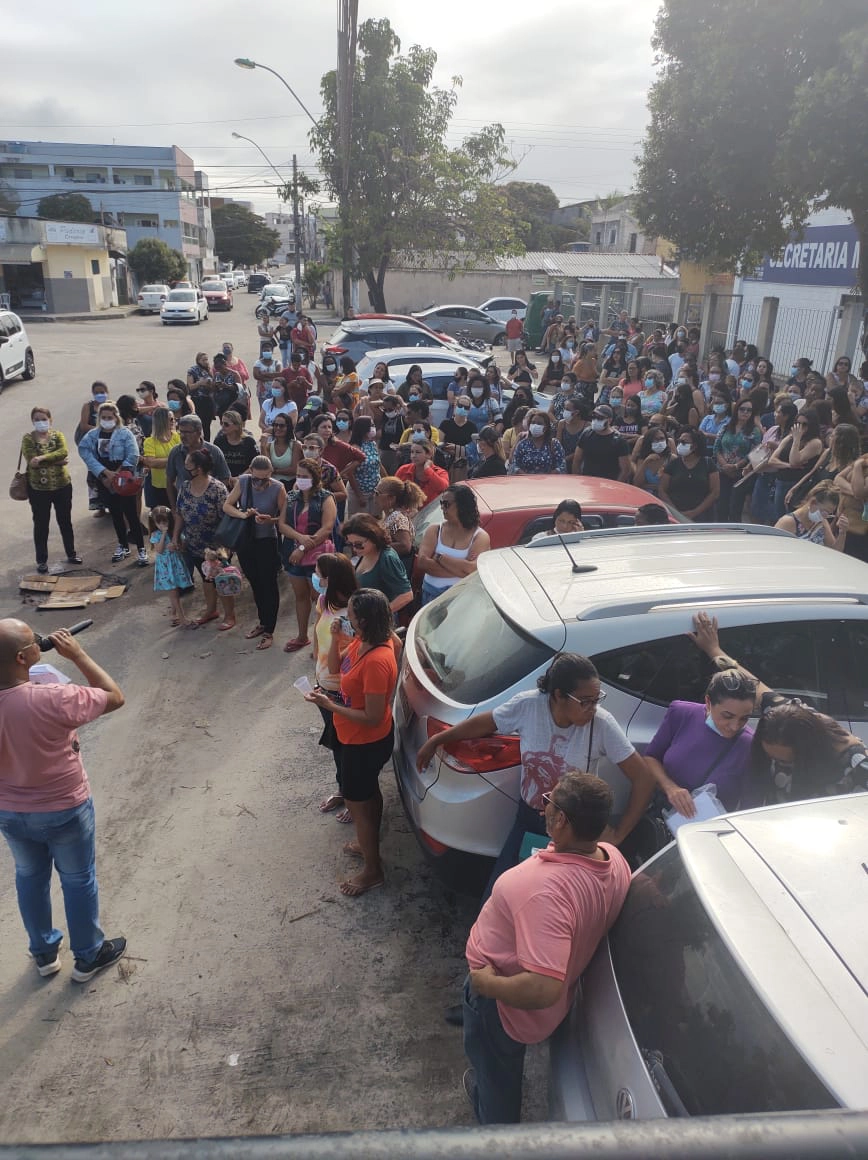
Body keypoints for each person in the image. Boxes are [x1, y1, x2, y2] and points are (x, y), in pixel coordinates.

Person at [462, 771, 630, 1125]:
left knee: (498, 1073)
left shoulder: (539, 890)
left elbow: (543, 987)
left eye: (548, 803)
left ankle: (497, 1130)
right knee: (495, 1063)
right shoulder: (613, 859)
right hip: (541, 1002)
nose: (544, 809)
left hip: (503, 1006)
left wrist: (485, 985)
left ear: (561, 821)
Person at [415, 653, 654, 891]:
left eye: (597, 699)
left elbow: (642, 778)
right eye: (585, 701)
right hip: (529, 818)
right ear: (558, 695)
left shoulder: (602, 724)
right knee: (501, 890)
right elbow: (486, 723)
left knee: (549, 898)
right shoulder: (529, 706)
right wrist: (437, 740)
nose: (593, 708)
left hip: (572, 830)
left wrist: (618, 835)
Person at [0, 621, 127, 982]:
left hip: (9, 810)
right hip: (63, 807)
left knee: (28, 875)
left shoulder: (39, 694)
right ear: (24, 657)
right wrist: (78, 654)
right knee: (77, 878)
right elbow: (113, 696)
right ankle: (88, 955)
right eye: (33, 639)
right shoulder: (53, 697)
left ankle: (43, 951)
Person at [689, 612, 868, 806]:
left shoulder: (856, 766)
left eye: (784, 761)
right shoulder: (788, 716)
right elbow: (755, 686)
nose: (775, 763)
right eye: (771, 757)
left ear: (808, 750)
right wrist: (714, 650)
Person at [304, 588, 399, 897]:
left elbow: (372, 716)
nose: (346, 619)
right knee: (369, 793)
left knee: (360, 804)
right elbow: (334, 668)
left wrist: (330, 706)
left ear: (365, 620)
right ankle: (366, 841)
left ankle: (373, 871)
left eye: (351, 616)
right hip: (355, 737)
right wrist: (334, 637)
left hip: (365, 741)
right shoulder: (362, 641)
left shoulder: (377, 660)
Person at [644, 666, 757, 818]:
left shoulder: (749, 745)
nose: (734, 726)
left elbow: (749, 807)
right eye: (727, 716)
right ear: (708, 702)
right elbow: (651, 757)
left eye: (744, 718)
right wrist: (670, 788)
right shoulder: (681, 713)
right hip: (662, 818)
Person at [312, 552, 360, 823]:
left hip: (345, 691)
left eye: (319, 574)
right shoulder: (323, 602)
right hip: (325, 686)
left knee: (350, 748)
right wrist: (315, 674)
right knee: (337, 744)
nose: (316, 579)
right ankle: (344, 791)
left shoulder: (356, 611)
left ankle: (356, 800)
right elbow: (318, 636)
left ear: (331, 579)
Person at [222, 456, 287, 651]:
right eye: (256, 479)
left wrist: (270, 520)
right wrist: (244, 515)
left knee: (269, 584)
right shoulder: (243, 481)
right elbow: (227, 505)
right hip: (247, 540)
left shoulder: (278, 488)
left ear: (271, 474)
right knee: (255, 581)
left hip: (267, 540)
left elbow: (285, 518)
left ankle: (270, 629)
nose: (260, 484)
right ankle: (262, 621)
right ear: (250, 472)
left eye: (265, 479)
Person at [279, 457, 338, 652]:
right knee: (301, 596)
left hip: (317, 557)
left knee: (320, 600)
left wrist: (303, 546)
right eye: (298, 475)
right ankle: (302, 636)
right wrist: (300, 538)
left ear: (315, 478)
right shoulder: (291, 497)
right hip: (294, 556)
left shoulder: (326, 498)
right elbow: (282, 524)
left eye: (304, 476)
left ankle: (322, 642)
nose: (300, 479)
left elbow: (327, 528)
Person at [78, 401, 148, 566]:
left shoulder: (125, 434)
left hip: (123, 476)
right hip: (104, 477)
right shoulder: (93, 435)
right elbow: (84, 450)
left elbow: (133, 454)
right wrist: (103, 472)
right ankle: (123, 545)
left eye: (110, 417)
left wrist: (119, 472)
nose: (107, 420)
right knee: (115, 514)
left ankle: (141, 549)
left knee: (131, 514)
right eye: (104, 417)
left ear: (116, 418)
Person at [170, 448, 231, 628]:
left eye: (188, 464)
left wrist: (221, 548)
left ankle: (230, 615)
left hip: (217, 546)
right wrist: (176, 537)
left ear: (199, 468)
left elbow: (226, 518)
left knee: (221, 580)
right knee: (206, 578)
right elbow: (180, 514)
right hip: (195, 544)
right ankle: (211, 610)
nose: (184, 467)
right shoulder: (185, 487)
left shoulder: (217, 489)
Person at [20, 406, 80, 573]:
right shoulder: (28, 439)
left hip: (62, 486)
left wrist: (43, 458)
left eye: (43, 419)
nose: (41, 422)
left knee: (65, 521)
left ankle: (71, 553)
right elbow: (32, 461)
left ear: (50, 420)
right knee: (41, 524)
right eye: (37, 419)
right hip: (38, 490)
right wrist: (57, 461)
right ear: (32, 421)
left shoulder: (58, 435)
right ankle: (41, 560)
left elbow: (64, 451)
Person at [417, 484, 491, 606]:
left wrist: (440, 558)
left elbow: (472, 570)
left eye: (446, 504)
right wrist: (461, 570)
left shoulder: (480, 536)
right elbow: (422, 562)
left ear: (462, 506)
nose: (442, 508)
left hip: (459, 600)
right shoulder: (434, 530)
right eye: (441, 503)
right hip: (430, 596)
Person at [342, 514, 414, 616]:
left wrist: (378, 615)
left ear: (373, 537)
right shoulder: (365, 552)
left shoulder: (387, 558)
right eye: (350, 544)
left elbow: (406, 595)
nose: (354, 549)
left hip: (379, 625)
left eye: (358, 544)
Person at [767, 406, 824, 523]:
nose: (800, 428)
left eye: (804, 424)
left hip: (797, 485)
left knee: (792, 520)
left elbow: (795, 460)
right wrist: (788, 465)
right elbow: (772, 460)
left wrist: (797, 440)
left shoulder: (815, 442)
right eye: (798, 424)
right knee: (778, 518)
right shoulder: (789, 438)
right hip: (780, 482)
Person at [165, 414, 231, 511]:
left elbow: (225, 477)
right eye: (181, 432)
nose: (183, 436)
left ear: (199, 432)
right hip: (184, 508)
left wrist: (213, 496)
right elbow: (169, 481)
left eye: (187, 432)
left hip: (210, 509)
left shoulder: (214, 451)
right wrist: (174, 509)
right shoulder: (176, 452)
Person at [713, 398, 762, 521]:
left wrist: (736, 466)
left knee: (735, 507)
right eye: (742, 409)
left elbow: (754, 453)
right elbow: (717, 447)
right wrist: (725, 465)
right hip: (722, 472)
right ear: (736, 410)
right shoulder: (726, 427)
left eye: (749, 410)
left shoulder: (754, 432)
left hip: (741, 474)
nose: (745, 412)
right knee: (721, 506)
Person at [658, 427, 720, 520]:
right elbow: (662, 490)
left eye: (684, 442)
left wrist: (695, 512)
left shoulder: (708, 464)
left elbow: (715, 492)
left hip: (703, 516)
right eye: (679, 441)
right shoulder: (673, 464)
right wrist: (676, 512)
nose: (679, 445)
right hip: (676, 516)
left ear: (695, 445)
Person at [148, 505, 195, 628]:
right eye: (159, 522)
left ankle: (174, 614)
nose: (162, 525)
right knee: (173, 593)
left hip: (176, 564)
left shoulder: (174, 532)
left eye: (164, 521)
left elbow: (183, 545)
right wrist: (163, 534)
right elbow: (158, 550)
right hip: (165, 567)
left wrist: (177, 546)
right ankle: (182, 617)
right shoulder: (155, 534)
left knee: (176, 591)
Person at [375, 476, 426, 576]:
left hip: (395, 572)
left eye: (377, 493)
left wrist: (376, 547)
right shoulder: (391, 515)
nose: (374, 496)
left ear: (391, 498)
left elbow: (405, 546)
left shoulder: (397, 517)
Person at [774, 483, 847, 549]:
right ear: (813, 502)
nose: (825, 516)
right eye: (825, 511)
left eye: (829, 513)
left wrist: (842, 533)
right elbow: (773, 549)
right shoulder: (787, 522)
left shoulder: (821, 521)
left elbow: (835, 552)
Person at [572, 405, 631, 480]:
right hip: (588, 482)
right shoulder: (586, 434)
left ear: (609, 420)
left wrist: (615, 487)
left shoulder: (619, 441)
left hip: (608, 484)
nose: (595, 420)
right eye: (593, 417)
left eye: (600, 418)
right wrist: (578, 479)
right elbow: (577, 460)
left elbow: (625, 470)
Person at [141, 406, 180, 510]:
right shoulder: (149, 441)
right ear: (162, 421)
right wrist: (174, 459)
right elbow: (152, 463)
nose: (174, 421)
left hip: (178, 483)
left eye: (174, 418)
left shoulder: (177, 437)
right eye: (171, 419)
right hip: (160, 486)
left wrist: (162, 462)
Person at [834, 451, 868, 562]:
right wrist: (852, 490)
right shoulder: (865, 458)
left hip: (860, 526)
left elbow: (859, 492)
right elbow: (838, 479)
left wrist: (858, 466)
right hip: (845, 518)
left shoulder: (860, 463)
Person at [510, 409, 566, 475]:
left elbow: (562, 466)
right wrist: (527, 476)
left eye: (539, 423)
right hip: (526, 482)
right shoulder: (522, 444)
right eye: (533, 423)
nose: (535, 425)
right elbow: (514, 465)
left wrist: (545, 476)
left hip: (548, 482)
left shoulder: (554, 444)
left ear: (546, 427)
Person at [396, 439, 449, 505]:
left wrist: (427, 469)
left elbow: (443, 488)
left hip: (429, 513)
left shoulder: (440, 472)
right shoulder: (403, 469)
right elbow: (394, 491)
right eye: (412, 452)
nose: (413, 456)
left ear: (429, 454)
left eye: (418, 452)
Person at [347, 417, 382, 516]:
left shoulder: (372, 444)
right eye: (370, 426)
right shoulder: (355, 448)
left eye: (373, 425)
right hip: (360, 490)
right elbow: (349, 473)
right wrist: (359, 495)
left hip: (375, 490)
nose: (373, 428)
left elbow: (378, 464)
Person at [214, 410, 259, 485]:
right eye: (222, 423)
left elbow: (255, 464)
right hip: (223, 482)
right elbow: (215, 464)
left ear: (237, 426)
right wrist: (226, 478)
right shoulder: (219, 441)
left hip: (245, 481)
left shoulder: (249, 442)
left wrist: (239, 478)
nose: (222, 426)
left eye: (226, 424)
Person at [186, 352, 215, 439]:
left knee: (207, 426)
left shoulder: (209, 370)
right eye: (203, 360)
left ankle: (207, 443)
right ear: (198, 360)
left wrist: (210, 385)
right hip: (197, 400)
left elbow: (213, 386)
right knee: (198, 424)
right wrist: (200, 383)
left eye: (207, 359)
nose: (206, 361)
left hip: (208, 401)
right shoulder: (192, 370)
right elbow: (190, 386)